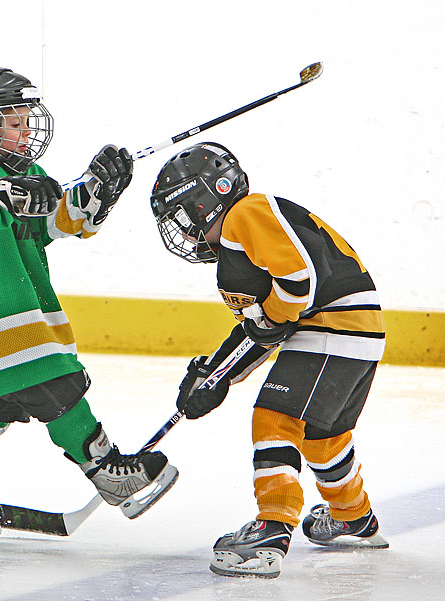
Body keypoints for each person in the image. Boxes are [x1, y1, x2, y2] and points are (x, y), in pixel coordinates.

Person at [0, 65, 179, 542]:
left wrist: (97, 190)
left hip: (9, 327)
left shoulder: (23, 172)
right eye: (14, 123)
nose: (25, 133)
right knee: (59, 388)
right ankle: (106, 470)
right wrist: (12, 194)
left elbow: (56, 219)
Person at [150, 142, 388, 578]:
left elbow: (298, 284)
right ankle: (353, 515)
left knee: (274, 419)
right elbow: (264, 330)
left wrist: (270, 319)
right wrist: (215, 375)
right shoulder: (241, 246)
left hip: (331, 328)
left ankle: (272, 530)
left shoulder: (245, 214)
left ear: (207, 199)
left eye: (183, 215)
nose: (183, 232)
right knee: (323, 437)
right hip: (356, 334)